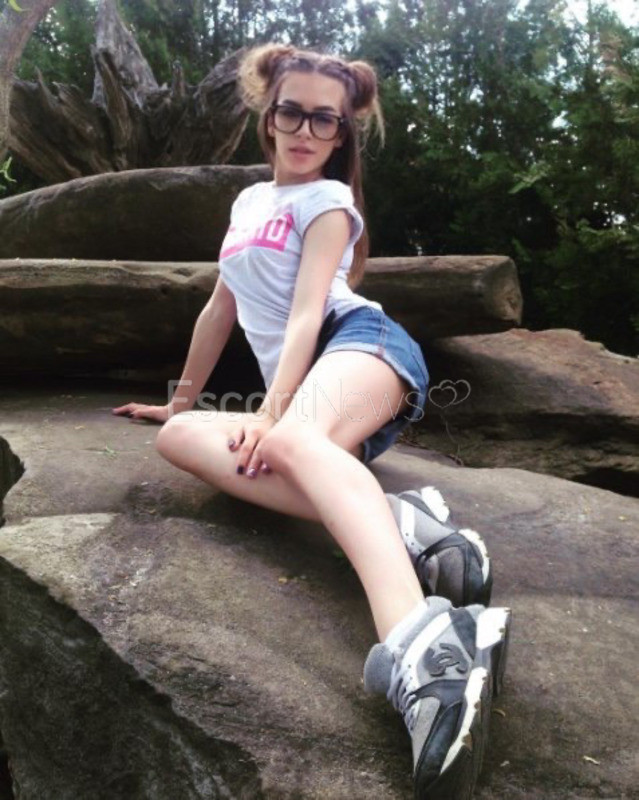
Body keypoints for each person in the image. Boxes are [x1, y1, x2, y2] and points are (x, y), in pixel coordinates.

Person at [112, 42, 510, 799]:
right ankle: (405, 524)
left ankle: (424, 642)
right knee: (177, 440)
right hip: (311, 400)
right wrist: (181, 401)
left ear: (340, 134)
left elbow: (304, 316)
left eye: (324, 120)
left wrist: (272, 413)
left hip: (362, 348)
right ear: (268, 116)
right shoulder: (247, 203)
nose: (304, 129)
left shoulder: (327, 203)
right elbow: (220, 308)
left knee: (290, 439)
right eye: (291, 112)